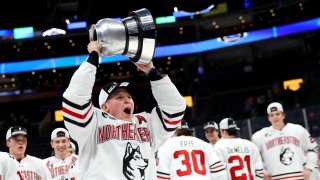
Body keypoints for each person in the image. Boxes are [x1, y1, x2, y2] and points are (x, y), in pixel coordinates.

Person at [62, 41, 186, 179]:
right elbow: (75, 98)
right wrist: (93, 59)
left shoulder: (145, 122)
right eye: (119, 97)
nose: (127, 100)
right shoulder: (93, 122)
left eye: (129, 96)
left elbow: (175, 108)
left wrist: (152, 71)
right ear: (105, 107)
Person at [251, 102, 319, 180]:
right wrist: (261, 172)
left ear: (283, 115)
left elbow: (313, 148)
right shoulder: (259, 136)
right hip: (275, 178)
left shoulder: (298, 130)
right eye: (272, 115)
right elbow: (251, 156)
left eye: (277, 114)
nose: (275, 117)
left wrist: (309, 168)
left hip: (299, 176)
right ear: (268, 118)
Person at [156, 121, 227, 179]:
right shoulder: (204, 144)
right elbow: (220, 173)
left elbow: (162, 177)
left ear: (174, 131)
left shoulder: (165, 146)